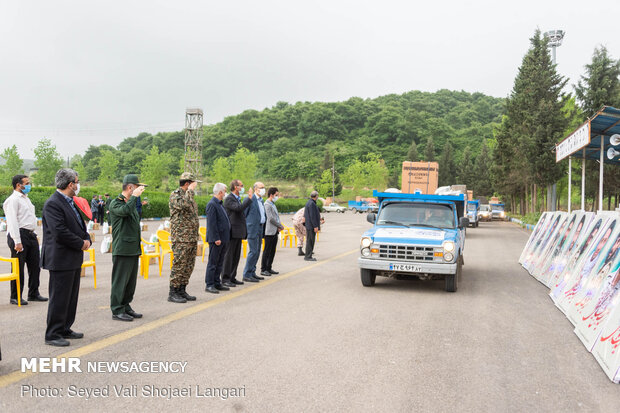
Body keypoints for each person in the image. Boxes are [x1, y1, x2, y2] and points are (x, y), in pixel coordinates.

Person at [41, 168, 91, 347]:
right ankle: (53, 333)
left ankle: (64, 327)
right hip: (60, 258)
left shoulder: (70, 201)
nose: (78, 185)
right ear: (70, 184)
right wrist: (81, 243)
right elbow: (59, 232)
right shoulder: (53, 203)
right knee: (59, 297)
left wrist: (87, 238)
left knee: (71, 296)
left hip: (72, 257)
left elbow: (80, 225)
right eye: (77, 182)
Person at [3, 174, 47, 305]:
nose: (29, 185)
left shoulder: (26, 199)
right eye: (26, 183)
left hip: (30, 235)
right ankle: (15, 296)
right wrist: (17, 241)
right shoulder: (13, 200)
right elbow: (12, 222)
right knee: (18, 268)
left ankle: (33, 293)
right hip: (19, 235)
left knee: (35, 266)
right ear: (18, 185)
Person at [108, 174, 146, 321]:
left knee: (130, 282)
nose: (139, 191)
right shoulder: (115, 203)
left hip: (132, 248)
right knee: (120, 281)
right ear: (130, 187)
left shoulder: (129, 203)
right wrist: (135, 197)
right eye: (137, 188)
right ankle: (117, 309)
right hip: (122, 249)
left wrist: (134, 199)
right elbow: (125, 211)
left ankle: (126, 305)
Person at [168, 172, 201, 303]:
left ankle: (182, 289)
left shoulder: (188, 196)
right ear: (187, 183)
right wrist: (191, 191)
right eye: (193, 184)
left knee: (188, 265)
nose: (195, 187)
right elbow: (184, 205)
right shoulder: (175, 195)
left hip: (191, 237)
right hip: (181, 237)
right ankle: (173, 291)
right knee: (179, 264)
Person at [222, 179, 253, 287]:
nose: (242, 187)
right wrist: (248, 198)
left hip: (238, 232)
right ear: (235, 187)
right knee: (229, 256)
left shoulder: (237, 199)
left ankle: (232, 276)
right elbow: (239, 209)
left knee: (236, 256)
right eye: (241, 185)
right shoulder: (229, 199)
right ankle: (225, 278)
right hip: (232, 232)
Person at [205, 183, 231, 294]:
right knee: (213, 262)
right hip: (217, 239)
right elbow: (212, 224)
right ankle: (209, 284)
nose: (225, 193)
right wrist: (216, 238)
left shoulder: (220, 204)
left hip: (223, 238)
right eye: (224, 191)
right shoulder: (212, 204)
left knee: (220, 262)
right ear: (220, 192)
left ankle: (217, 282)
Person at [242, 182, 267, 282]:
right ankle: (247, 274)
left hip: (260, 228)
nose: (263, 189)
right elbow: (244, 214)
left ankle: (252, 272)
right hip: (252, 228)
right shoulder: (250, 199)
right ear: (256, 189)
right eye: (261, 187)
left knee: (257, 251)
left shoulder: (261, 200)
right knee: (253, 251)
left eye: (264, 187)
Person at [261, 187, 284, 276]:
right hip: (269, 231)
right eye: (276, 195)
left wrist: (279, 226)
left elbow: (276, 217)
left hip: (275, 230)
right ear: (271, 195)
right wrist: (279, 225)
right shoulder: (267, 204)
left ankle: (269, 267)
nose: (277, 197)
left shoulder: (273, 204)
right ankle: (263, 269)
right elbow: (270, 218)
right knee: (267, 250)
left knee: (272, 250)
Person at [304, 191, 321, 261]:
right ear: (316, 196)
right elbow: (312, 216)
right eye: (317, 196)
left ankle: (308, 254)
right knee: (310, 241)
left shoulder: (309, 202)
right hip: (311, 226)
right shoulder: (312, 204)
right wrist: (315, 226)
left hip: (309, 225)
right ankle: (308, 256)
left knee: (309, 241)